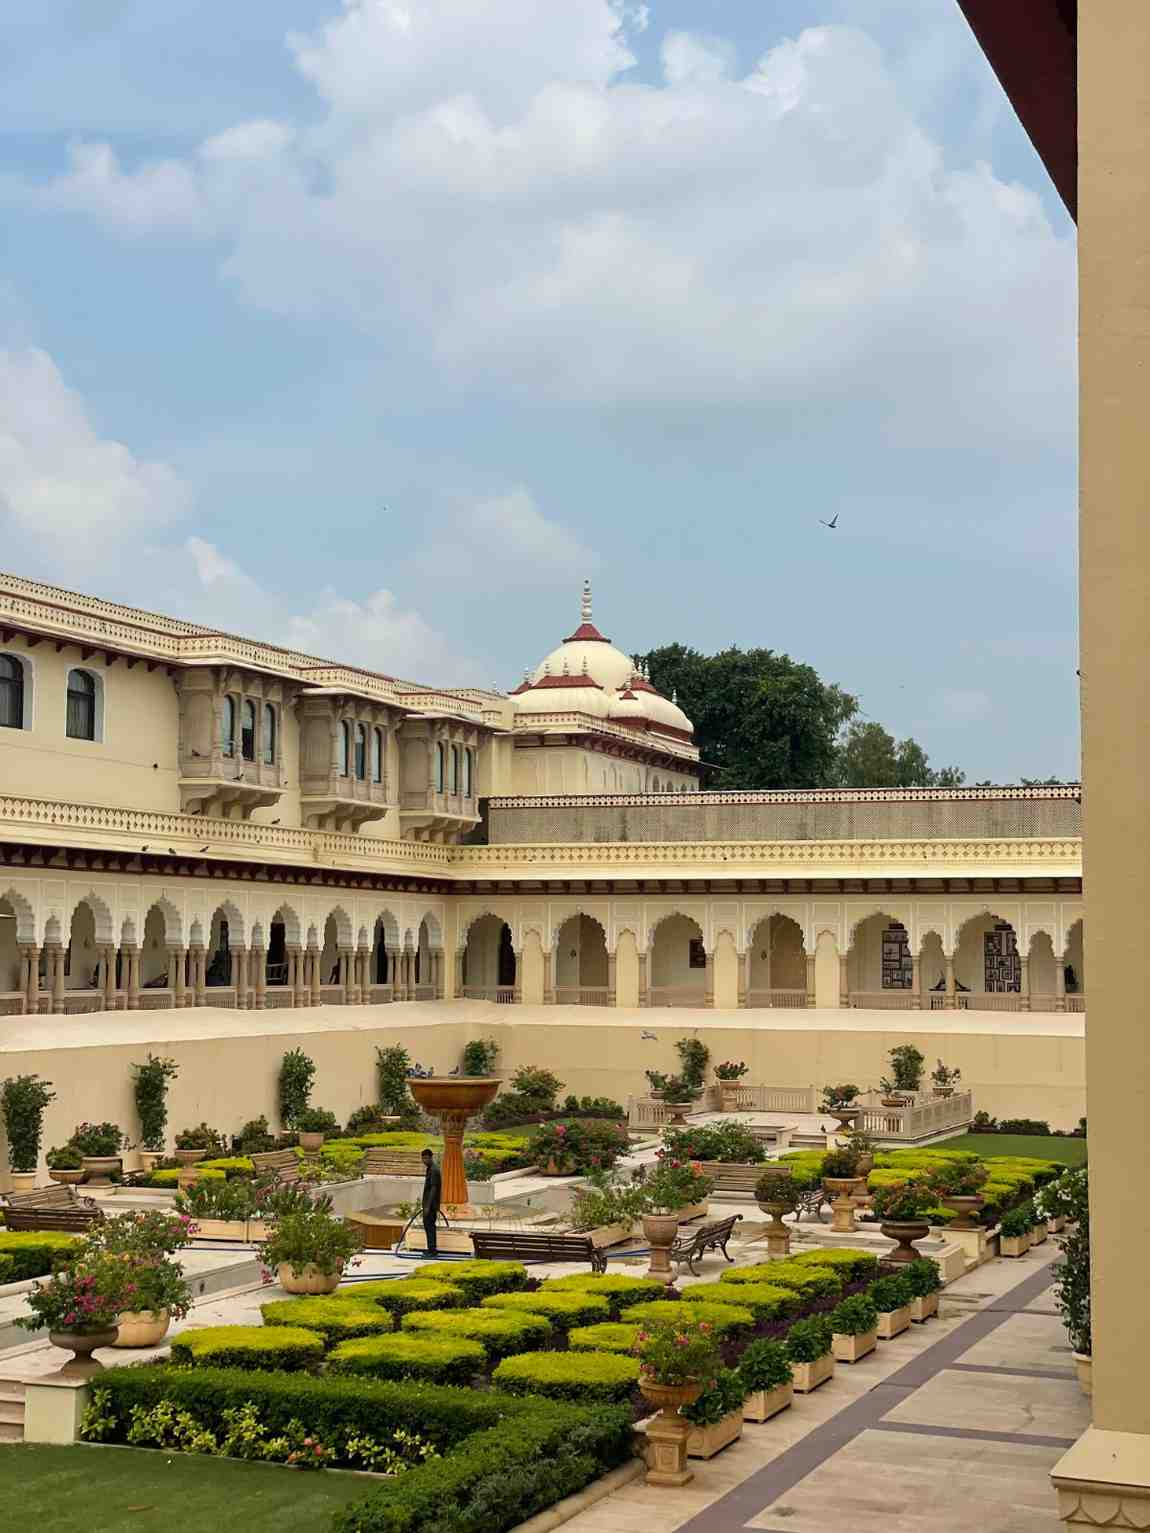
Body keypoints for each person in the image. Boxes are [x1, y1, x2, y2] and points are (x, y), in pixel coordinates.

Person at [420, 1148, 442, 1255]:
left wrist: (428, 1206)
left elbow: (434, 1188)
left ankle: (432, 1249)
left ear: (431, 1157)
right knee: (428, 1226)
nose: (424, 1161)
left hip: (431, 1205)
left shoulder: (434, 1170)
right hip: (428, 1204)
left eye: (426, 1158)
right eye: (423, 1158)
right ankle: (430, 1248)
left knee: (430, 1226)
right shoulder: (430, 1169)